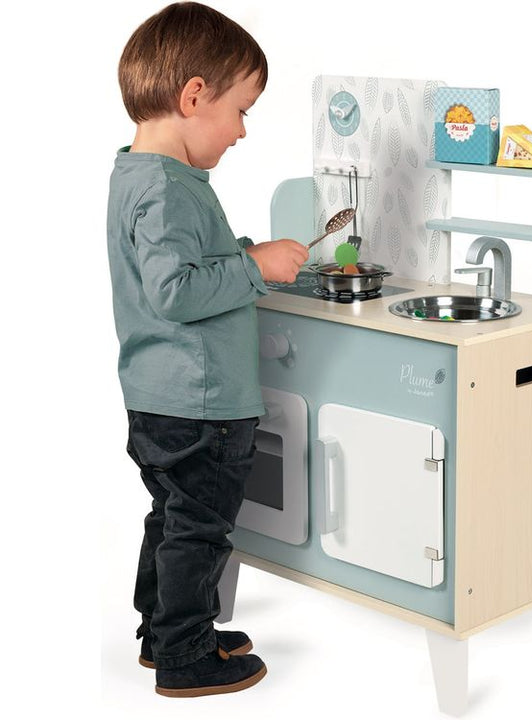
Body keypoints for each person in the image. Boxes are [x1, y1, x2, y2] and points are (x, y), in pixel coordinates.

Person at [106, 1, 308, 698]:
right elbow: (175, 291)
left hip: (156, 394)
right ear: (194, 96)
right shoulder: (167, 188)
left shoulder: (138, 174)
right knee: (201, 527)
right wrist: (255, 268)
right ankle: (186, 655)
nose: (243, 131)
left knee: (172, 518)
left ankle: (162, 631)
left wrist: (246, 253)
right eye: (241, 110)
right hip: (200, 403)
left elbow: (176, 267)